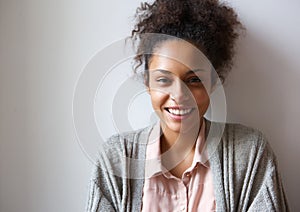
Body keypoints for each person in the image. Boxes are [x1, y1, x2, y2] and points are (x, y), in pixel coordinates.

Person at [86, 0, 289, 211]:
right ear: (147, 84)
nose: (179, 95)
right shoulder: (116, 158)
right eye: (163, 80)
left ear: (212, 82)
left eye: (194, 80)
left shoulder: (250, 153)